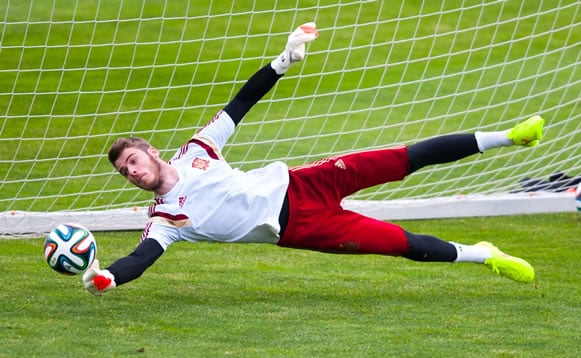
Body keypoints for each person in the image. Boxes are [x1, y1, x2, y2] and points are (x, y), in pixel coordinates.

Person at [83, 23, 545, 295]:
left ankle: (511, 136)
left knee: (406, 157)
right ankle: (483, 255)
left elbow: (241, 102)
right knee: (398, 243)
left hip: (307, 183)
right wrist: (108, 277)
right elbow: (140, 259)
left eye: (133, 162)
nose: (132, 174)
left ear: (151, 152)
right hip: (302, 229)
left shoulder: (198, 149)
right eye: (125, 173)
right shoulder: (164, 220)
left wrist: (284, 60)